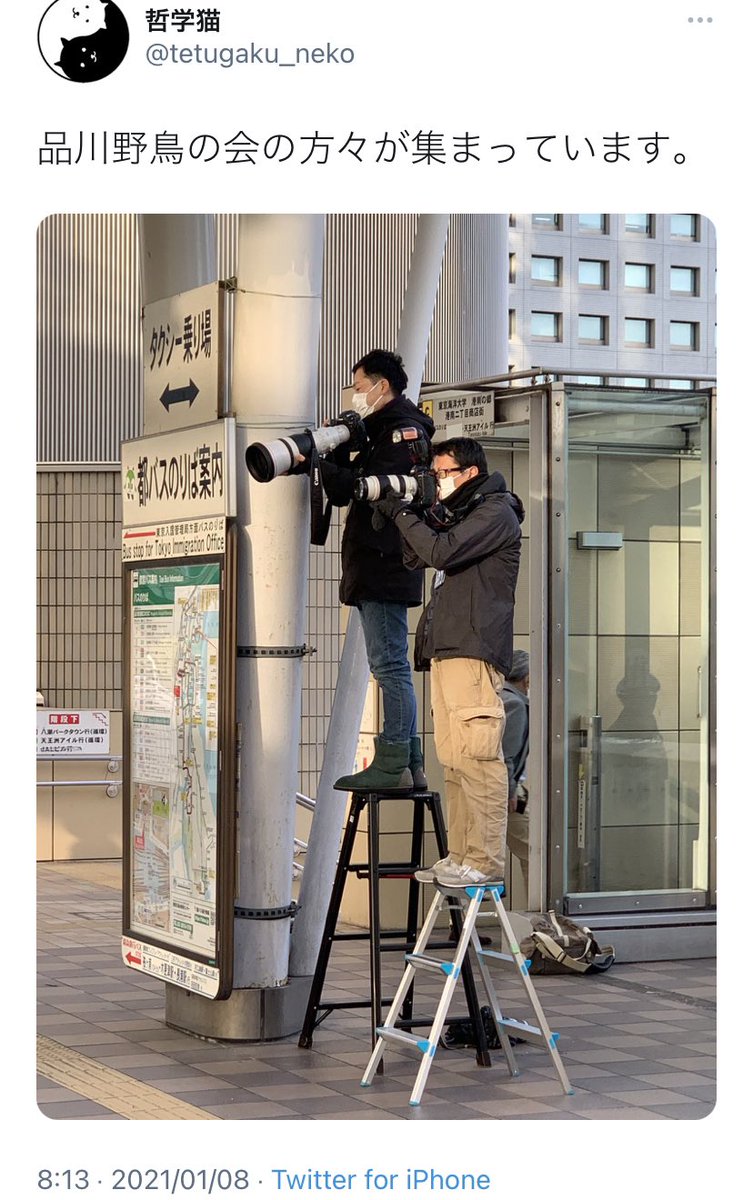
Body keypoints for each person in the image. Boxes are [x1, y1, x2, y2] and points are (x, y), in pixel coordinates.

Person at [374, 437, 524, 885]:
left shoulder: (495, 511)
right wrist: (412, 512)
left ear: (470, 472)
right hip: (446, 649)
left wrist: (402, 514)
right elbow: (416, 556)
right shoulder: (460, 513)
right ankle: (461, 854)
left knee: (478, 758)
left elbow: (441, 552)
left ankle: (483, 861)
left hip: (473, 649)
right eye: (434, 474)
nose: (437, 481)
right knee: (455, 761)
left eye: (443, 473)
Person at [313, 349, 435, 792]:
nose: (356, 394)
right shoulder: (380, 429)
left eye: (360, 386)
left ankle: (393, 760)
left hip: (384, 563)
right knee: (390, 665)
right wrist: (337, 446)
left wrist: (315, 462)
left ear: (383, 386)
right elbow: (344, 492)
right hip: (378, 562)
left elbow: (364, 490)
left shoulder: (402, 434)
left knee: (389, 667)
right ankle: (410, 761)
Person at [503, 649, 530, 886]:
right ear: (527, 678)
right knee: (535, 853)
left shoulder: (498, 696)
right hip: (505, 793)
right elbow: (507, 754)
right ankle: (541, 904)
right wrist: (511, 790)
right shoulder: (515, 704)